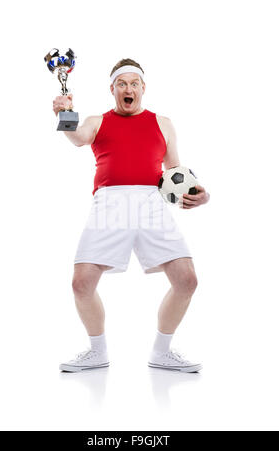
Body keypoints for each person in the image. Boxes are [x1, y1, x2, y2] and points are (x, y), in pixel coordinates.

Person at [53, 58, 210, 373]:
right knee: (81, 283)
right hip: (109, 203)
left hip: (151, 204)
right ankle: (97, 352)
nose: (128, 89)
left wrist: (200, 194)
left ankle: (162, 352)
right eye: (121, 84)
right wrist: (64, 113)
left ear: (143, 88)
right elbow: (77, 138)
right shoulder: (98, 121)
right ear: (112, 89)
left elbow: (174, 170)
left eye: (133, 84)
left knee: (187, 280)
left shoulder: (162, 122)